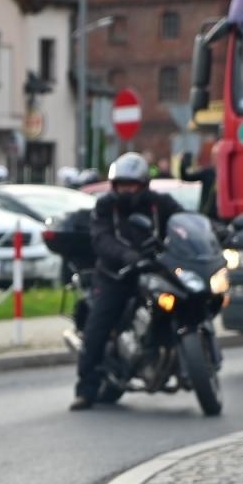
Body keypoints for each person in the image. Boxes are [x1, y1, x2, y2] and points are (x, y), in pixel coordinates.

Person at [72, 151, 182, 411]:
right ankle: (85, 389)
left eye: (131, 185)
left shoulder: (159, 204)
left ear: (143, 185)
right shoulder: (105, 207)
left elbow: (183, 221)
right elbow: (101, 238)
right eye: (122, 185)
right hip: (116, 275)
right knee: (98, 326)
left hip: (155, 269)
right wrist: (126, 255)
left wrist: (213, 230)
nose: (126, 191)